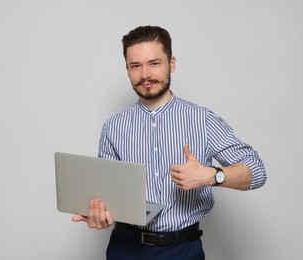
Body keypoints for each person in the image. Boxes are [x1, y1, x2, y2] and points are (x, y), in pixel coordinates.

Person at [72, 25, 267, 260]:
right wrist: (99, 214)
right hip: (125, 249)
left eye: (154, 63)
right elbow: (109, 196)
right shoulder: (113, 127)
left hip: (183, 250)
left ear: (171, 63)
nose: (145, 74)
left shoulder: (202, 120)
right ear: (127, 69)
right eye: (136, 66)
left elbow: (256, 171)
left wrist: (211, 176)